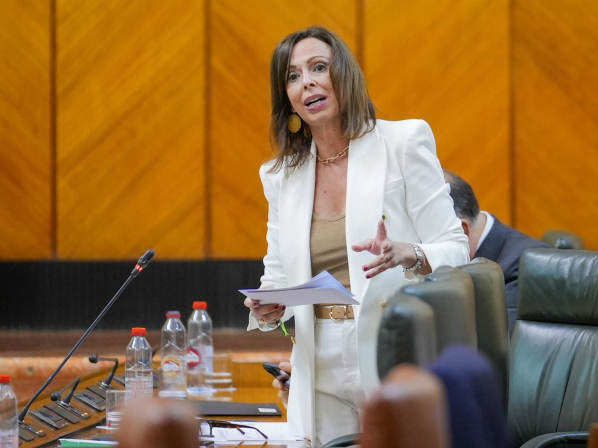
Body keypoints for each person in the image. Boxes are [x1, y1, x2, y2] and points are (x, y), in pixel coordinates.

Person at [244, 26, 469, 447]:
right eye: (292, 76)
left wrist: (409, 252)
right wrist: (267, 306)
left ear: (344, 75)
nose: (307, 82)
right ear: (287, 98)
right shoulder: (280, 176)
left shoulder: (403, 142)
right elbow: (276, 278)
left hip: (393, 350)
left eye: (318, 67)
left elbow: (458, 250)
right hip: (317, 361)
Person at [443, 170, 550, 335]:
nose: (418, 255)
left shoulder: (527, 268)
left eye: (420, 244)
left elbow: (496, 345)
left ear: (461, 232)